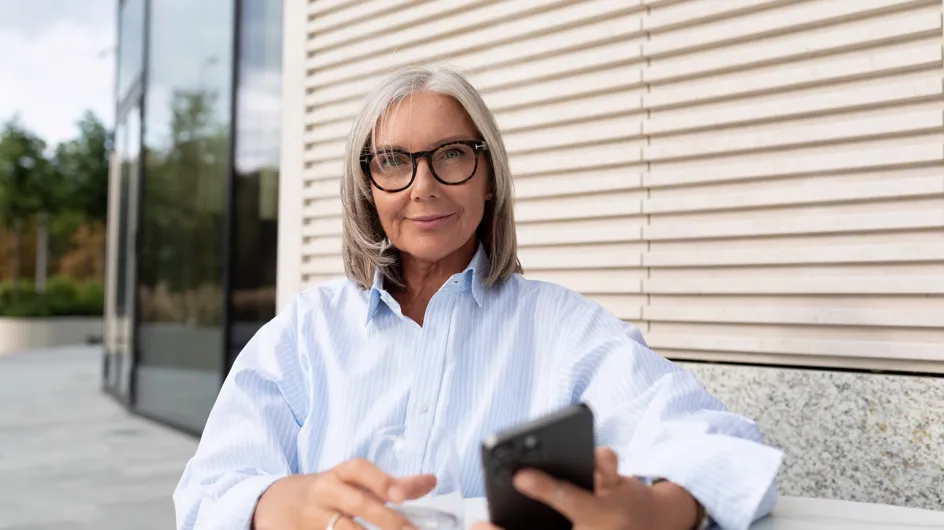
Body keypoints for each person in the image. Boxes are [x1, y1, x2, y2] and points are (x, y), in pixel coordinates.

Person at [173, 66, 783, 530]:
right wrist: (289, 503)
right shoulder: (304, 334)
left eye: (452, 155)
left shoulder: (565, 328)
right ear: (367, 187)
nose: (425, 186)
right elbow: (206, 491)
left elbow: (721, 447)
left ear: (489, 178)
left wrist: (652, 511)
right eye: (393, 162)